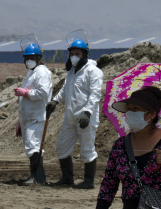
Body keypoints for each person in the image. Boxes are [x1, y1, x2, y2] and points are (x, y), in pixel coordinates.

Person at [46, 37, 103, 188]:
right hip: (70, 117)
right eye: (72, 53)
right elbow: (66, 89)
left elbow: (95, 94)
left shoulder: (93, 71)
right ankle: (67, 178)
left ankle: (89, 181)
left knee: (86, 149)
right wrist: (55, 101)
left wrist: (88, 113)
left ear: (85, 54)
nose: (74, 56)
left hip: (85, 118)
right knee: (61, 146)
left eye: (77, 53)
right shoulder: (71, 71)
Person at [14, 42, 52, 185]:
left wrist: (25, 93)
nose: (28, 60)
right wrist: (20, 122)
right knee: (33, 146)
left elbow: (43, 93)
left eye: (32, 57)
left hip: (36, 116)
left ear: (38, 57)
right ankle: (36, 177)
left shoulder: (42, 72)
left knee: (33, 146)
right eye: (26, 57)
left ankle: (38, 178)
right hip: (29, 116)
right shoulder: (32, 72)